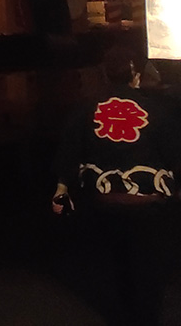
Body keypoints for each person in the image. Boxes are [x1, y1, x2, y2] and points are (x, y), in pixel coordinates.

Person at [51, 42, 181, 326]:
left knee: (115, 267)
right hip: (149, 204)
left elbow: (69, 152)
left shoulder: (86, 108)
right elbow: (175, 155)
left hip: (102, 200)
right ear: (136, 74)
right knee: (149, 273)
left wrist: (62, 188)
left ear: (104, 74)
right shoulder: (158, 109)